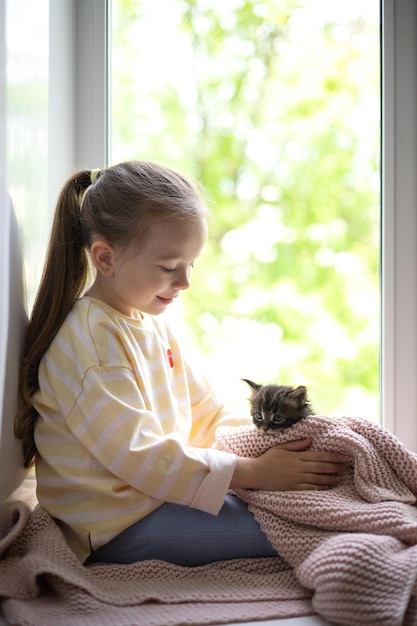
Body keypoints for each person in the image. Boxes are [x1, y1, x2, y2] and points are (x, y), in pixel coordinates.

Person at [15, 161, 345, 566]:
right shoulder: (92, 338)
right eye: (170, 268)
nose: (185, 282)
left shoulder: (149, 323)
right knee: (306, 524)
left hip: (154, 497)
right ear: (105, 259)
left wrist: (274, 444)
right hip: (117, 524)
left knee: (311, 502)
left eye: (190, 266)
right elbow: (140, 454)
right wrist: (256, 474)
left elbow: (207, 413)